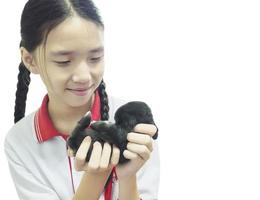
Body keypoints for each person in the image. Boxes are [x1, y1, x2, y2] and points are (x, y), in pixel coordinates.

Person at [4, 0, 160, 200]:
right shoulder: (20, 142)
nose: (83, 76)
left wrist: (128, 177)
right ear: (29, 60)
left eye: (95, 58)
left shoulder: (133, 120)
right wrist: (96, 176)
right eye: (64, 61)